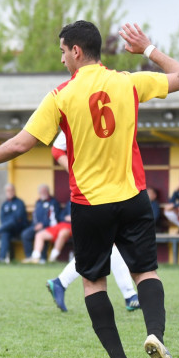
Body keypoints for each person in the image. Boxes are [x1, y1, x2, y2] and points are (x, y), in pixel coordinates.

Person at [0, 21, 179, 358]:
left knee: (93, 282)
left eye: (62, 51)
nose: (61, 59)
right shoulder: (128, 81)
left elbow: (21, 143)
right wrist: (148, 49)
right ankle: (156, 336)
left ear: (76, 50)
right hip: (134, 196)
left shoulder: (61, 95)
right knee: (145, 273)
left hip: (90, 204)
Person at [45, 131, 140, 312]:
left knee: (104, 246)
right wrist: (76, 174)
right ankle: (130, 295)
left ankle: (61, 282)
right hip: (90, 192)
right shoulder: (77, 113)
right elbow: (57, 150)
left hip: (108, 188)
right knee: (106, 245)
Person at [20, 184, 60, 259]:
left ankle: (43, 258)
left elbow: (54, 219)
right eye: (41, 191)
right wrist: (35, 225)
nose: (43, 193)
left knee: (41, 233)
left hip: (49, 227)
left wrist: (43, 224)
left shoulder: (53, 202)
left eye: (44, 191)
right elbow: (34, 216)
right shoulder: (38, 202)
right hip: (36, 226)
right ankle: (29, 257)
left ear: (48, 192)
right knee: (25, 234)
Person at [0, 183, 29, 263]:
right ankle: (2, 259)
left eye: (11, 190)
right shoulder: (4, 204)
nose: (10, 192)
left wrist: (8, 222)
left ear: (14, 191)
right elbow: (2, 218)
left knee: (12, 221)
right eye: (8, 191)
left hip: (19, 228)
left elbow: (18, 218)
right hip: (8, 229)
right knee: (5, 233)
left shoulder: (20, 202)